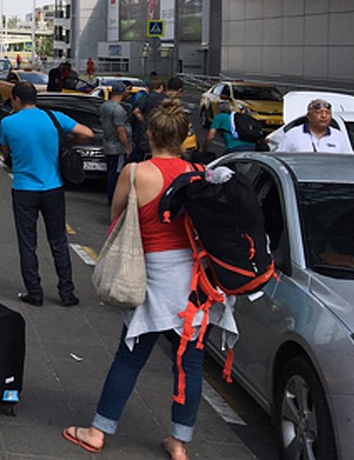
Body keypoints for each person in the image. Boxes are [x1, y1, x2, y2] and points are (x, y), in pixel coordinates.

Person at [63, 98, 237, 460]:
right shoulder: (197, 173)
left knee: (129, 357)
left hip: (150, 274)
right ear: (185, 137)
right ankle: (179, 442)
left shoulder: (135, 172)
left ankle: (98, 431)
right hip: (191, 281)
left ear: (152, 133)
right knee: (189, 363)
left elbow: (116, 219)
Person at [0, 82, 94, 306]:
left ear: (17, 100)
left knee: (27, 242)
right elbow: (87, 133)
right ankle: (66, 291)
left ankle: (35, 292)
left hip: (24, 189)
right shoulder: (54, 117)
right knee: (59, 240)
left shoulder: (8, 122)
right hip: (53, 188)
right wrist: (68, 141)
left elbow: (6, 151)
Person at [277, 98, 354, 154]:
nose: (324, 116)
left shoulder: (339, 136)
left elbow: (348, 161)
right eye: (318, 113)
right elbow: (281, 159)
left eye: (327, 113)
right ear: (309, 116)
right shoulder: (293, 135)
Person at [99, 82, 131, 204]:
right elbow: (121, 130)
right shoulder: (118, 109)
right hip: (117, 147)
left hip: (107, 142)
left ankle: (111, 197)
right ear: (123, 92)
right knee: (117, 175)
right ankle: (115, 199)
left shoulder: (104, 106)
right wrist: (127, 146)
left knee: (111, 172)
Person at [130, 77, 165, 162]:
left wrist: (144, 121)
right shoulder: (164, 99)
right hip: (161, 130)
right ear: (161, 87)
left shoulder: (145, 98)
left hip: (146, 132)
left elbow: (136, 111)